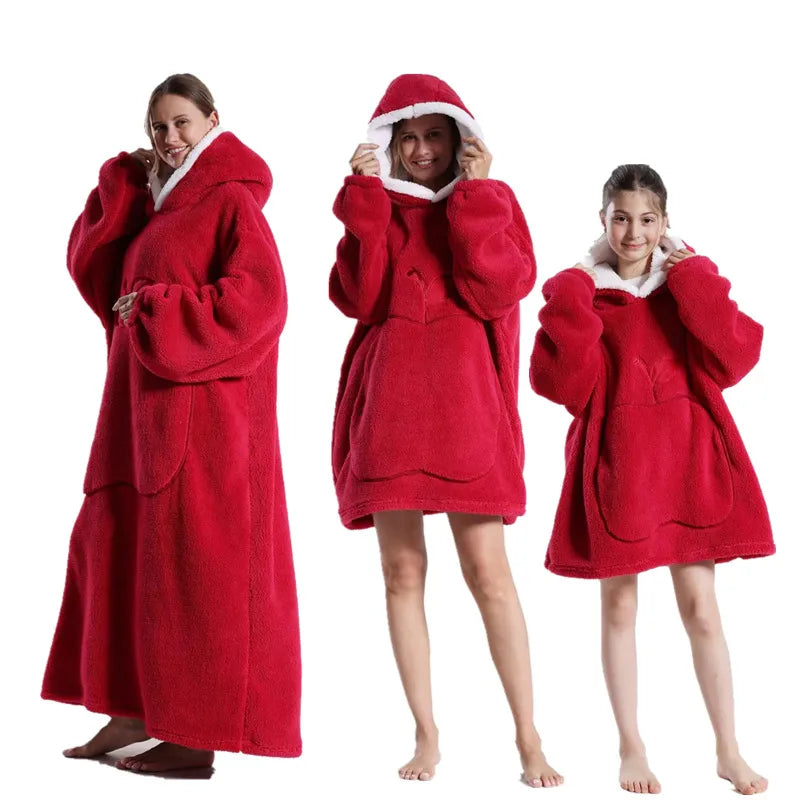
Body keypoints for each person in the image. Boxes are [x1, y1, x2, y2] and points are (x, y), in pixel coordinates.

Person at [42, 73, 301, 773]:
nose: (170, 137)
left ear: (212, 120)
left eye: (182, 122)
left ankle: (191, 735)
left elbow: (262, 304)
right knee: (123, 555)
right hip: (135, 412)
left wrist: (161, 306)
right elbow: (95, 273)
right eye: (158, 126)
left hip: (204, 421)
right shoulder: (160, 206)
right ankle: (132, 712)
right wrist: (123, 185)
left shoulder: (229, 201)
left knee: (192, 572)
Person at [330, 73, 561, 788]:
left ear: (460, 140)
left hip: (467, 410)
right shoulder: (380, 204)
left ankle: (529, 737)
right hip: (391, 410)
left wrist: (477, 197)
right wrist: (364, 204)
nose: (422, 149)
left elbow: (500, 289)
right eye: (408, 138)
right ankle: (426, 733)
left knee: (489, 575)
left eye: (435, 135)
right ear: (389, 144)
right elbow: (357, 297)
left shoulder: (491, 200)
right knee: (401, 573)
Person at [530, 164, 774, 794]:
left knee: (702, 609)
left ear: (665, 223)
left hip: (689, 464)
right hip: (620, 468)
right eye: (620, 218)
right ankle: (631, 748)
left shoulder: (682, 285)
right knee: (619, 605)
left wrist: (693, 275)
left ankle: (728, 749)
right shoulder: (589, 295)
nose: (633, 232)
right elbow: (562, 386)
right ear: (602, 220)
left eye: (646, 220)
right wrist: (570, 295)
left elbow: (736, 356)